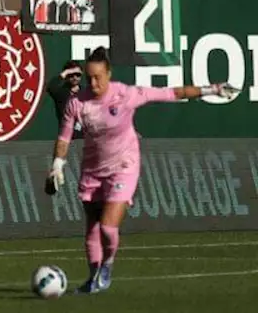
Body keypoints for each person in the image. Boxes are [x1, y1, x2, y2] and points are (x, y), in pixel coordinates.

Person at [47, 46, 238, 293]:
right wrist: (57, 166)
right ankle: (94, 279)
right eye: (90, 77)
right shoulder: (77, 102)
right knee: (92, 228)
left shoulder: (126, 94)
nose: (93, 83)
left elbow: (172, 93)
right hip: (93, 169)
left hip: (124, 165)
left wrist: (212, 89)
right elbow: (63, 138)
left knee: (107, 226)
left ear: (109, 74)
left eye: (99, 77)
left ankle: (108, 264)